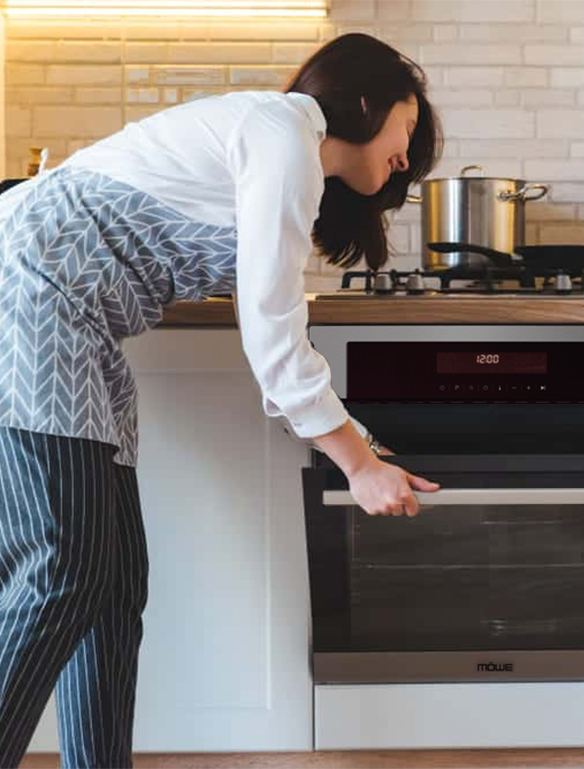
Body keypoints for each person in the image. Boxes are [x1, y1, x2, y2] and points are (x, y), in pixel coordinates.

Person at [0, 32, 441, 768]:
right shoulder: (282, 132)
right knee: (64, 568)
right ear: (368, 102)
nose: (408, 150)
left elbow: (270, 322)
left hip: (78, 321)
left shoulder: (284, 147)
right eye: (408, 123)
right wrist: (358, 466)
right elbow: (273, 338)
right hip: (34, 297)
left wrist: (359, 446)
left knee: (111, 588)